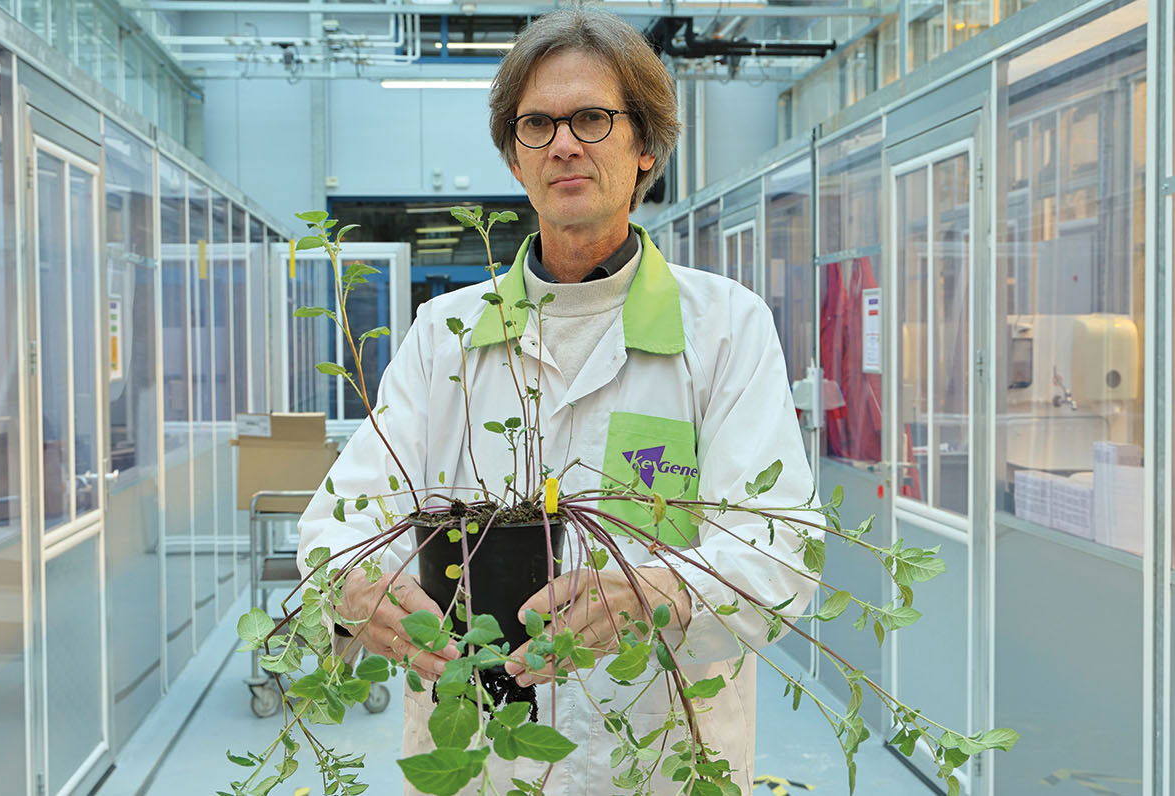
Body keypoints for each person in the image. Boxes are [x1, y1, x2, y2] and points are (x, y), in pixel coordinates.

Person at [298, 7, 816, 793]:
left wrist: (665, 592)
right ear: (515, 158)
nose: (563, 143)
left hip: (658, 758)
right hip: (478, 754)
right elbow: (340, 522)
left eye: (591, 119)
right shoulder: (447, 334)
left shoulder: (722, 327)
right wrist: (352, 586)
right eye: (536, 124)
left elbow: (780, 548)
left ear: (645, 147)